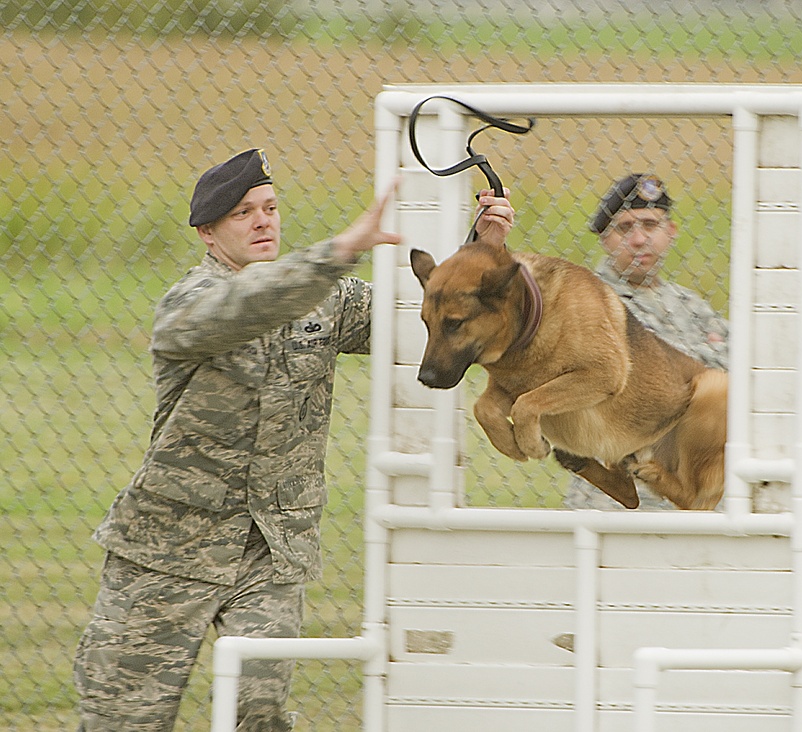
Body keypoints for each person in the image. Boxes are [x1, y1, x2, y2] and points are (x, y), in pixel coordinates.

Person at [73, 148, 515, 731]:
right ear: (207, 232)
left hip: (270, 553)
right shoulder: (190, 304)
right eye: (243, 214)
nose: (263, 221)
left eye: (271, 207)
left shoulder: (324, 299)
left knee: (259, 715)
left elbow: (432, 315)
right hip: (166, 552)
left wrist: (480, 250)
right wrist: (339, 251)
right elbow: (250, 303)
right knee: (123, 718)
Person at [563, 173, 728, 510]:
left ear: (671, 232)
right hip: (614, 496)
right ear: (605, 239)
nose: (639, 240)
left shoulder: (691, 305)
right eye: (625, 228)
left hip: (686, 487)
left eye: (651, 225)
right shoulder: (588, 301)